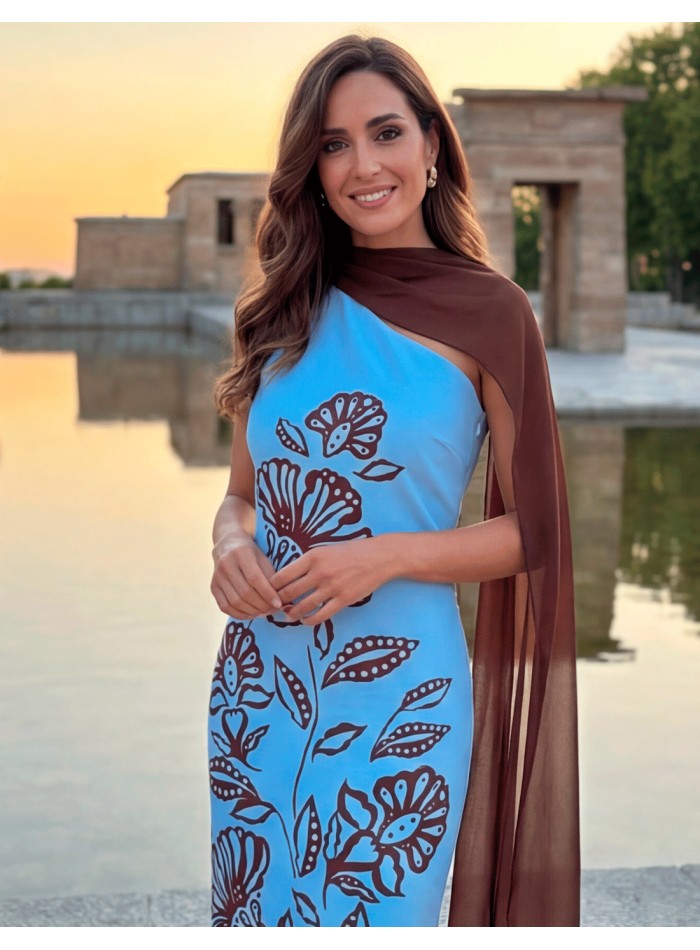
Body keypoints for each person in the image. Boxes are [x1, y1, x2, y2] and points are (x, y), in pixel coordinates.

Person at [207, 35, 579, 928]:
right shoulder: (284, 305)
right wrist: (227, 545)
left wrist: (386, 557)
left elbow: (539, 533)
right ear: (310, 166)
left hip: (400, 700)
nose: (362, 165)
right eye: (333, 144)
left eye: (385, 133)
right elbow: (243, 496)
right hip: (258, 695)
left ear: (432, 147)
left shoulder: (492, 313)